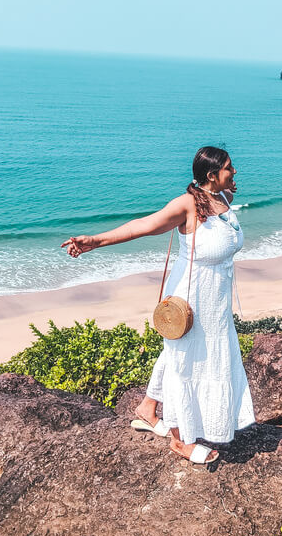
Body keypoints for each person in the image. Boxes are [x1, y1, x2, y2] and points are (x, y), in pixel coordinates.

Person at [61, 146, 255, 465]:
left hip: (215, 300)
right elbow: (143, 225)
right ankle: (180, 441)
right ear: (211, 175)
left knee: (185, 353)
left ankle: (147, 408)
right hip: (190, 296)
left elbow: (226, 228)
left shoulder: (224, 200)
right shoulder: (187, 205)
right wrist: (95, 241)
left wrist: (230, 187)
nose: (235, 172)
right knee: (185, 360)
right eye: (230, 169)